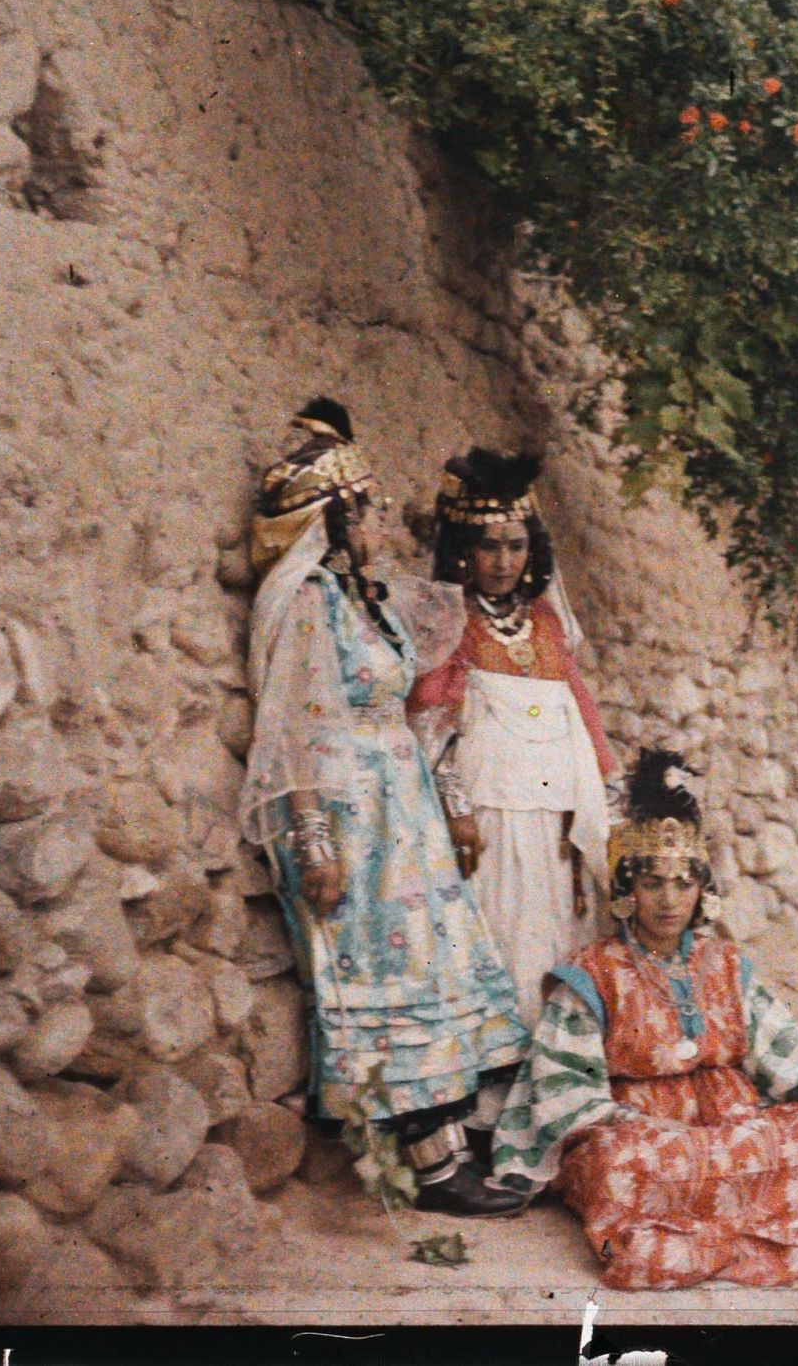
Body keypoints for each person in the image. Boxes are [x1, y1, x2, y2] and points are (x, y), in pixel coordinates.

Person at [486, 750, 798, 1289]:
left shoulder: (725, 964)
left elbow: (785, 1051)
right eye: (652, 884)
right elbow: (565, 1090)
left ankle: (735, 1219)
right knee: (618, 1169)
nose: (668, 900)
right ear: (628, 892)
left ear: (702, 891)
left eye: (683, 884)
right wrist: (642, 1125)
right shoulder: (593, 973)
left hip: (736, 1123)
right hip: (642, 1135)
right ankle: (759, 1217)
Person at [239, 398, 529, 1216]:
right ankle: (429, 1169)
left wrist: (449, 798)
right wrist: (312, 841)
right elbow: (293, 728)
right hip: (349, 819)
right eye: (365, 508)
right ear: (332, 519)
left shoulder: (360, 598)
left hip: (402, 813)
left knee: (428, 968)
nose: (377, 521)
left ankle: (451, 1146)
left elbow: (415, 714)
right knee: (381, 976)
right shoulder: (306, 603)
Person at [403, 449, 615, 1034]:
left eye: (516, 546)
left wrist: (608, 792)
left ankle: (556, 1061)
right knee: (498, 932)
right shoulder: (449, 620)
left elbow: (580, 714)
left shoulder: (545, 623)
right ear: (463, 550)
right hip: (487, 817)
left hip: (555, 819)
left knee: (558, 935)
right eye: (489, 547)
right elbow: (430, 722)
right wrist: (456, 808)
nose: (503, 562)